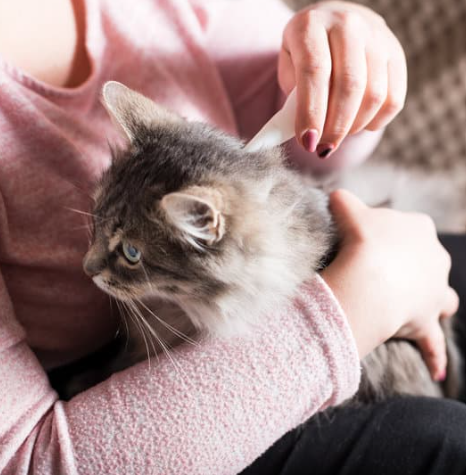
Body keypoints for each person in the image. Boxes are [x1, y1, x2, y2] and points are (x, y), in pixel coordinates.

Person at [0, 0, 462, 474]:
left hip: (235, 269)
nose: (89, 265)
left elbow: (319, 148)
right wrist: (368, 296)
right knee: (440, 441)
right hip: (129, 421)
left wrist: (348, 65)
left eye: (124, 249)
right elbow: (29, 463)